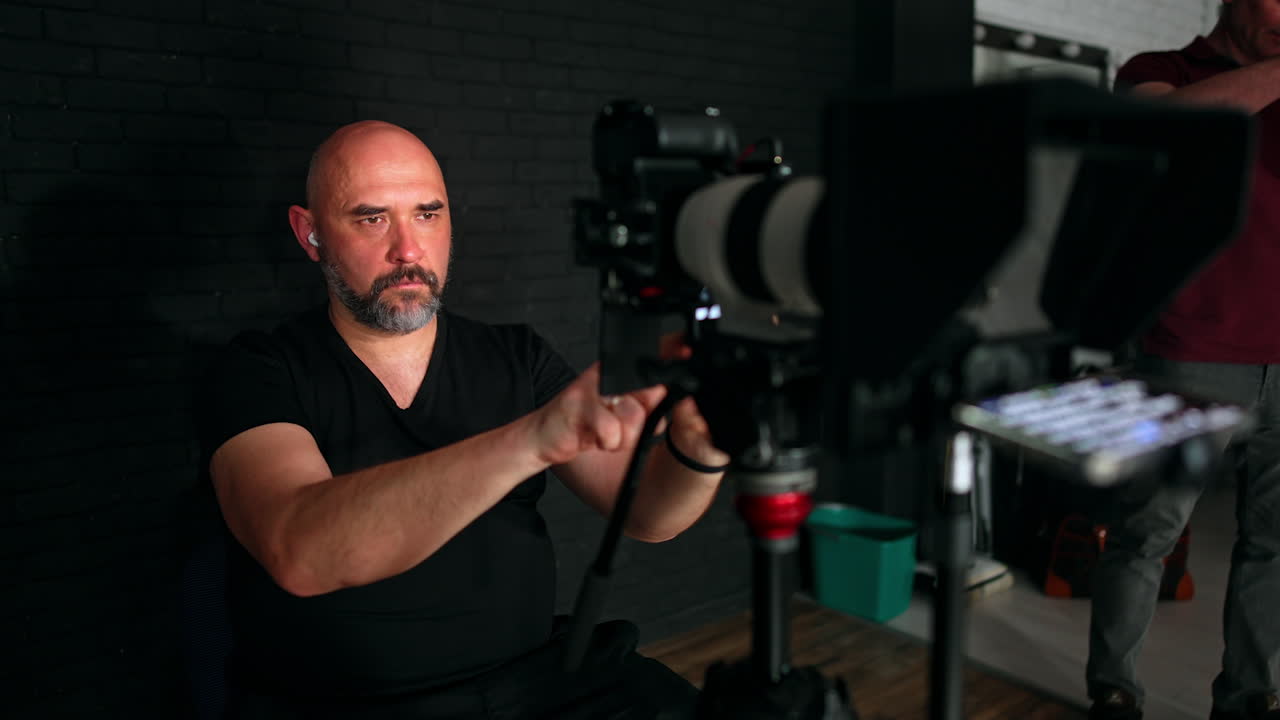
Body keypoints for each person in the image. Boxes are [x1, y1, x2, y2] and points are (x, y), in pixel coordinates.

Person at [201, 119, 731, 719]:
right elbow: (299, 550)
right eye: (372, 218)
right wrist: (532, 439)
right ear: (311, 233)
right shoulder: (260, 370)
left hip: (539, 685)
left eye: (428, 214)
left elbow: (650, 515)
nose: (408, 249)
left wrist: (698, 444)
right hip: (348, 704)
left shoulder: (516, 358)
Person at [1087, 2, 1280, 719]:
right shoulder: (1160, 71)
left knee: (1274, 545)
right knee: (1146, 536)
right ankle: (1114, 690)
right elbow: (1174, 126)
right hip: (1188, 351)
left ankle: (1250, 695)